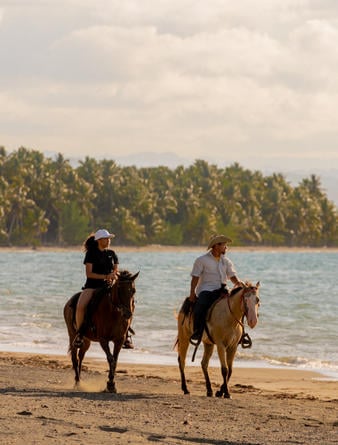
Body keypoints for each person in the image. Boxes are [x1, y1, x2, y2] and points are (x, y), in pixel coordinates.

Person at [74, 229, 134, 348]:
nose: (108, 241)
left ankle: (126, 335)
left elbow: (115, 270)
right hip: (92, 286)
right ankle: (80, 334)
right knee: (81, 307)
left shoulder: (112, 253)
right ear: (99, 240)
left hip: (109, 286)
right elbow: (89, 274)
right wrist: (105, 276)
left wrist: (114, 276)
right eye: (106, 239)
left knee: (127, 303)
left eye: (109, 239)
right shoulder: (91, 253)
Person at [189, 234, 243, 344]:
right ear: (216, 246)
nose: (226, 248)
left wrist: (239, 283)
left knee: (240, 306)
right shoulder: (202, 260)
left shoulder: (226, 261)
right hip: (206, 290)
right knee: (200, 306)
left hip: (223, 290)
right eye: (224, 245)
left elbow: (232, 276)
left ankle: (241, 334)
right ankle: (198, 331)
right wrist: (192, 293)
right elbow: (195, 277)